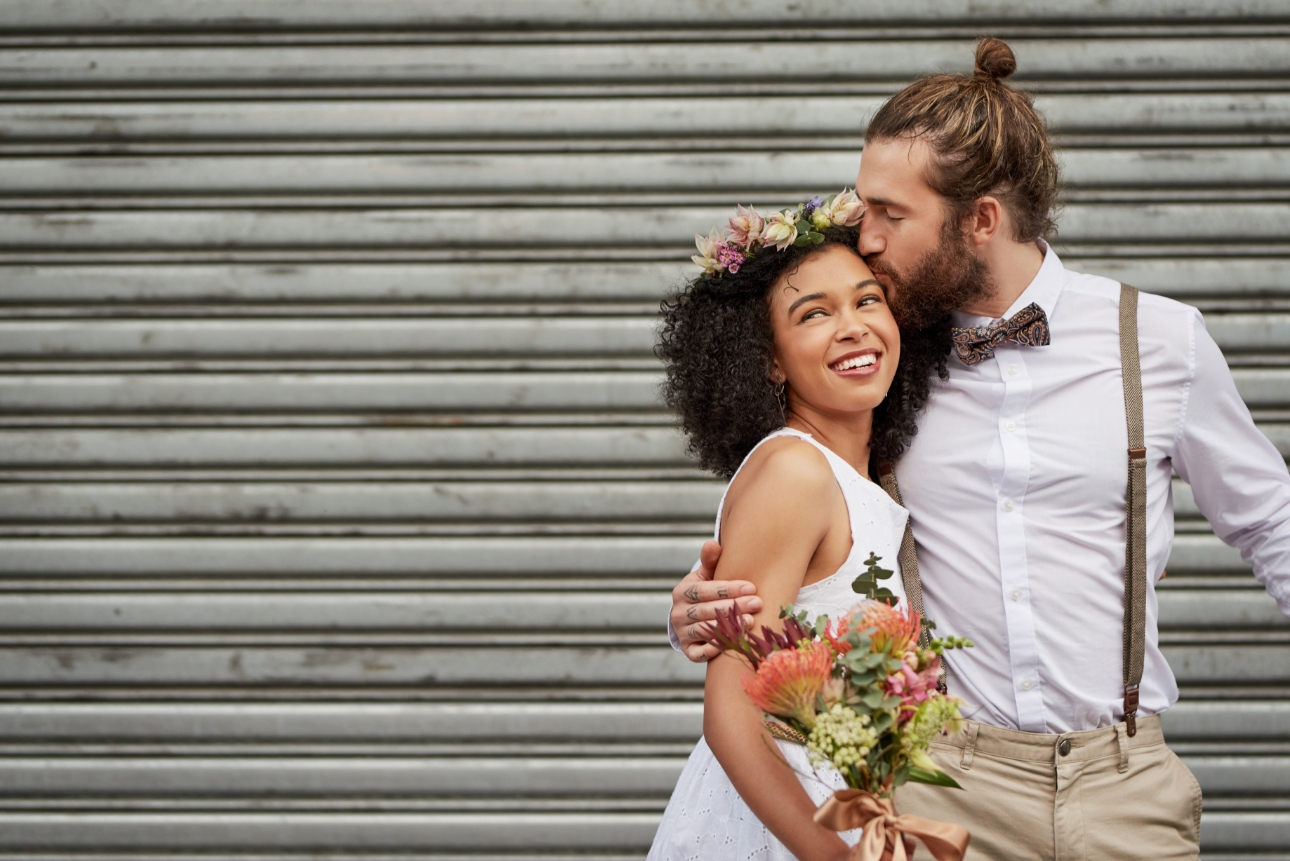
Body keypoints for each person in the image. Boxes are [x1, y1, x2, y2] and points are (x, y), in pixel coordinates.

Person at [667, 38, 1290, 860]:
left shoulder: (1160, 341)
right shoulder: (887, 357)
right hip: (941, 785)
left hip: (1126, 786)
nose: (869, 239)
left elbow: (1270, 522)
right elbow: (801, 527)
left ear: (980, 219)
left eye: (890, 215)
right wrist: (702, 610)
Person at [646, 196, 950, 860]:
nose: (854, 327)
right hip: (784, 822)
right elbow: (732, 714)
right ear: (770, 360)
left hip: (843, 803)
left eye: (868, 300)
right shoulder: (795, 472)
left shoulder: (857, 476)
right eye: (813, 313)